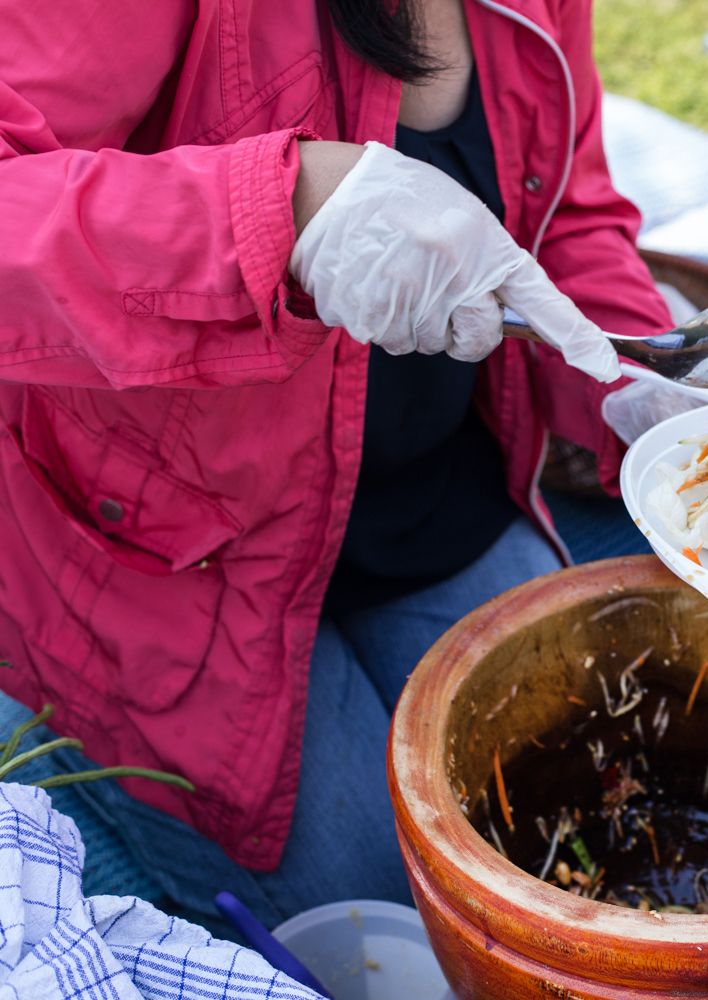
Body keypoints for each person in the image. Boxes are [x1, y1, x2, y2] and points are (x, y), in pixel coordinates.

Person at [0, 0, 672, 928]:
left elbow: (565, 209)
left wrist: (636, 376)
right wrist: (283, 210)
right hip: (166, 564)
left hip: (433, 492)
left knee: (614, 794)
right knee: (414, 915)